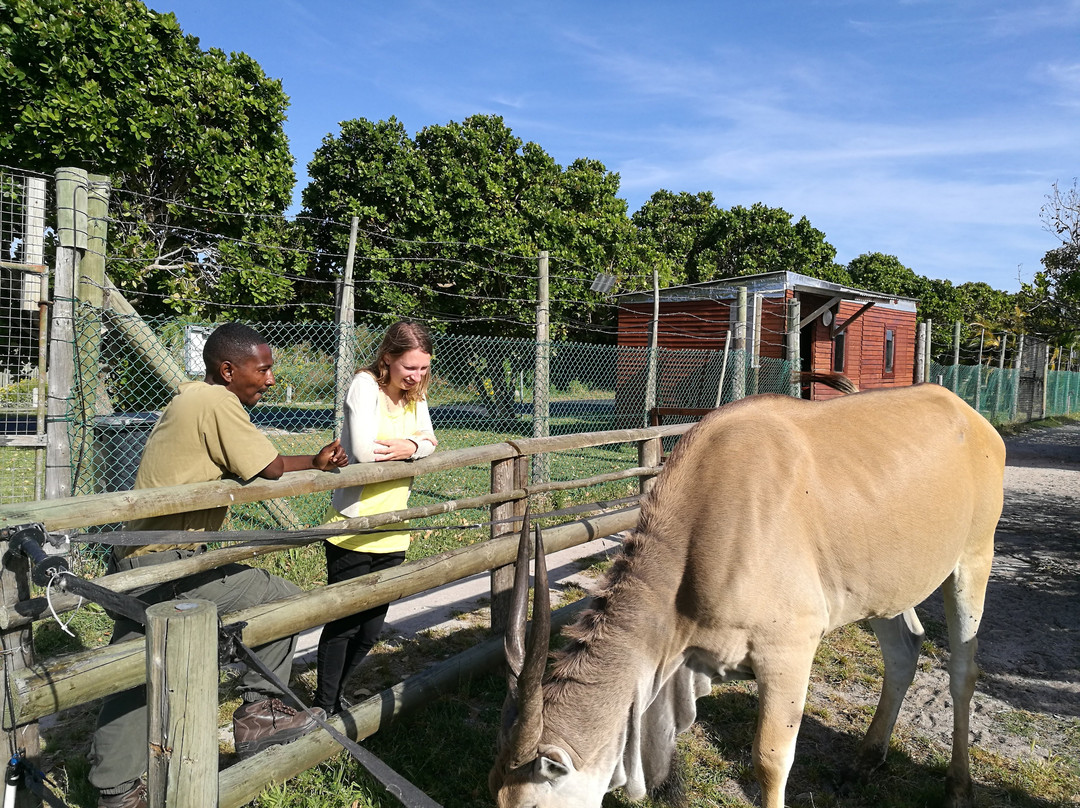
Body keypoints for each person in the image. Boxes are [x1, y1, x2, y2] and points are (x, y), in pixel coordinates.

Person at [90, 322, 348, 808]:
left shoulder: (195, 398)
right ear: (228, 370)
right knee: (276, 603)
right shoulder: (217, 402)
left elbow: (252, 462)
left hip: (149, 556)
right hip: (163, 564)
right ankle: (256, 716)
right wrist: (314, 461)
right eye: (263, 368)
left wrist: (313, 460)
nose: (270, 379)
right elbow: (267, 467)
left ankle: (117, 785)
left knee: (137, 662)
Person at [314, 320, 437, 715]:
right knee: (344, 625)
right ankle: (324, 706)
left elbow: (431, 441)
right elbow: (366, 453)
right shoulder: (364, 386)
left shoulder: (415, 394)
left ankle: (336, 696)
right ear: (388, 358)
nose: (416, 376)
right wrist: (415, 446)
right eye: (409, 368)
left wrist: (410, 444)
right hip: (355, 524)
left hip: (393, 526)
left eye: (423, 368)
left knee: (370, 631)